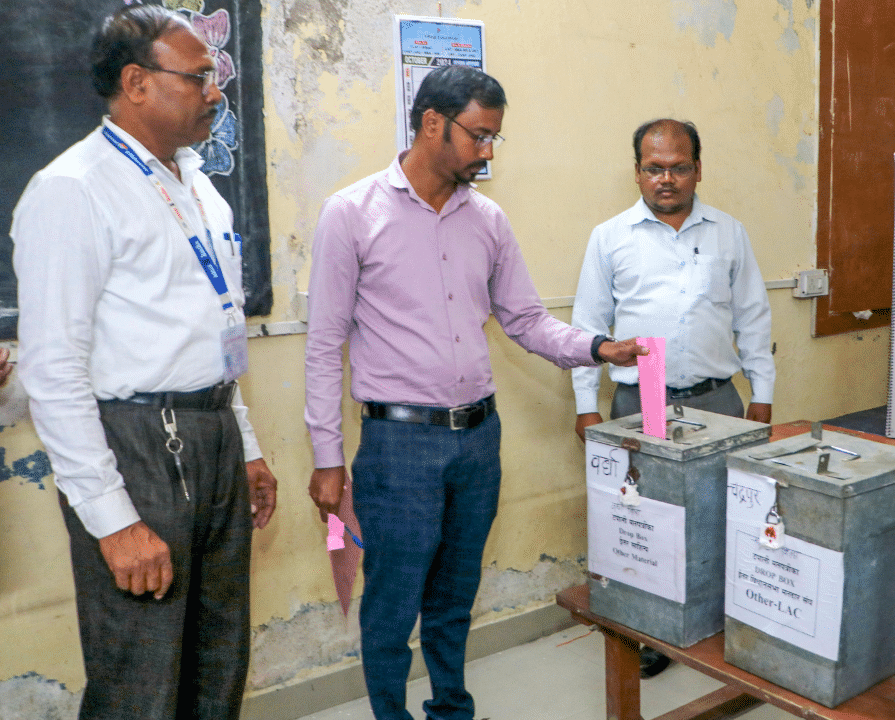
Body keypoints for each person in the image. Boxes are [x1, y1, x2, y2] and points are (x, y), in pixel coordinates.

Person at [303, 65, 646, 720]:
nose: (488, 151)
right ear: (433, 122)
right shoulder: (351, 214)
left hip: (477, 442)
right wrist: (326, 457)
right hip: (398, 444)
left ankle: (451, 710)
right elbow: (323, 345)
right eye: (480, 135)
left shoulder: (486, 220)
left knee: (455, 597)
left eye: (495, 139)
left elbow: (525, 320)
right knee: (392, 604)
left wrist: (597, 347)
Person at [11, 6, 277, 719]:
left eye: (216, 77)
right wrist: (112, 520)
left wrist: (243, 443)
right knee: (142, 676)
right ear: (136, 82)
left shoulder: (196, 182)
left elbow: (212, 328)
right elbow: (54, 370)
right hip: (135, 445)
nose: (216, 91)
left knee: (218, 659)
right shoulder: (73, 190)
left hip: (211, 433)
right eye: (198, 77)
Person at [570, 118, 776, 677]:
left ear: (698, 170)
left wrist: (763, 393)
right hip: (643, 404)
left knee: (728, 520)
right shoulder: (609, 237)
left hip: (718, 402)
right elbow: (590, 324)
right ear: (637, 172)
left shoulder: (728, 233)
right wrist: (587, 404)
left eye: (679, 167)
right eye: (654, 167)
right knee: (644, 523)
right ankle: (653, 634)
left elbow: (754, 316)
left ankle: (731, 624)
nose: (667, 178)